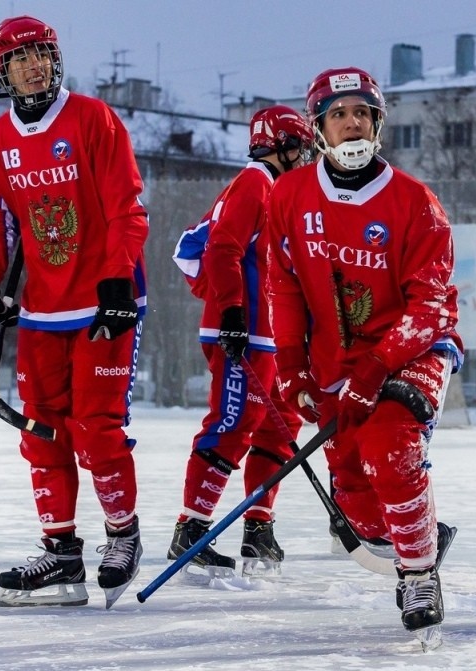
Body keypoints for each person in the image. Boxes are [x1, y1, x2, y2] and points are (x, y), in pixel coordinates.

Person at [265, 67, 463, 643]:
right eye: (339, 113)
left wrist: (379, 367)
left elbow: (432, 305)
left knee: (389, 444)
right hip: (334, 362)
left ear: (377, 123)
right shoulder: (289, 195)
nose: (353, 123)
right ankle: (418, 535)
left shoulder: (415, 201)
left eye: (363, 113)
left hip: (412, 352)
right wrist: (292, 368)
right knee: (355, 497)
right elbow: (285, 287)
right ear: (318, 127)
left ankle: (420, 574)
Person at [0, 15, 149, 609]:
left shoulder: (92, 118)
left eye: (41, 53)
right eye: (19, 58)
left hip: (105, 300)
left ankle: (123, 535)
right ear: (3, 71)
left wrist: (119, 282)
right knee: (40, 431)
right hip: (43, 309)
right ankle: (61, 551)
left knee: (96, 429)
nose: (32, 65)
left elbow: (127, 207)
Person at [169, 106, 312, 577]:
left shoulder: (283, 191)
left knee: (281, 427)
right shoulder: (254, 182)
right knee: (235, 422)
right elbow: (221, 248)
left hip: (272, 333)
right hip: (242, 332)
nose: (305, 157)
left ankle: (259, 526)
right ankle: (191, 527)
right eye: (299, 147)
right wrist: (230, 310)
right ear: (279, 144)